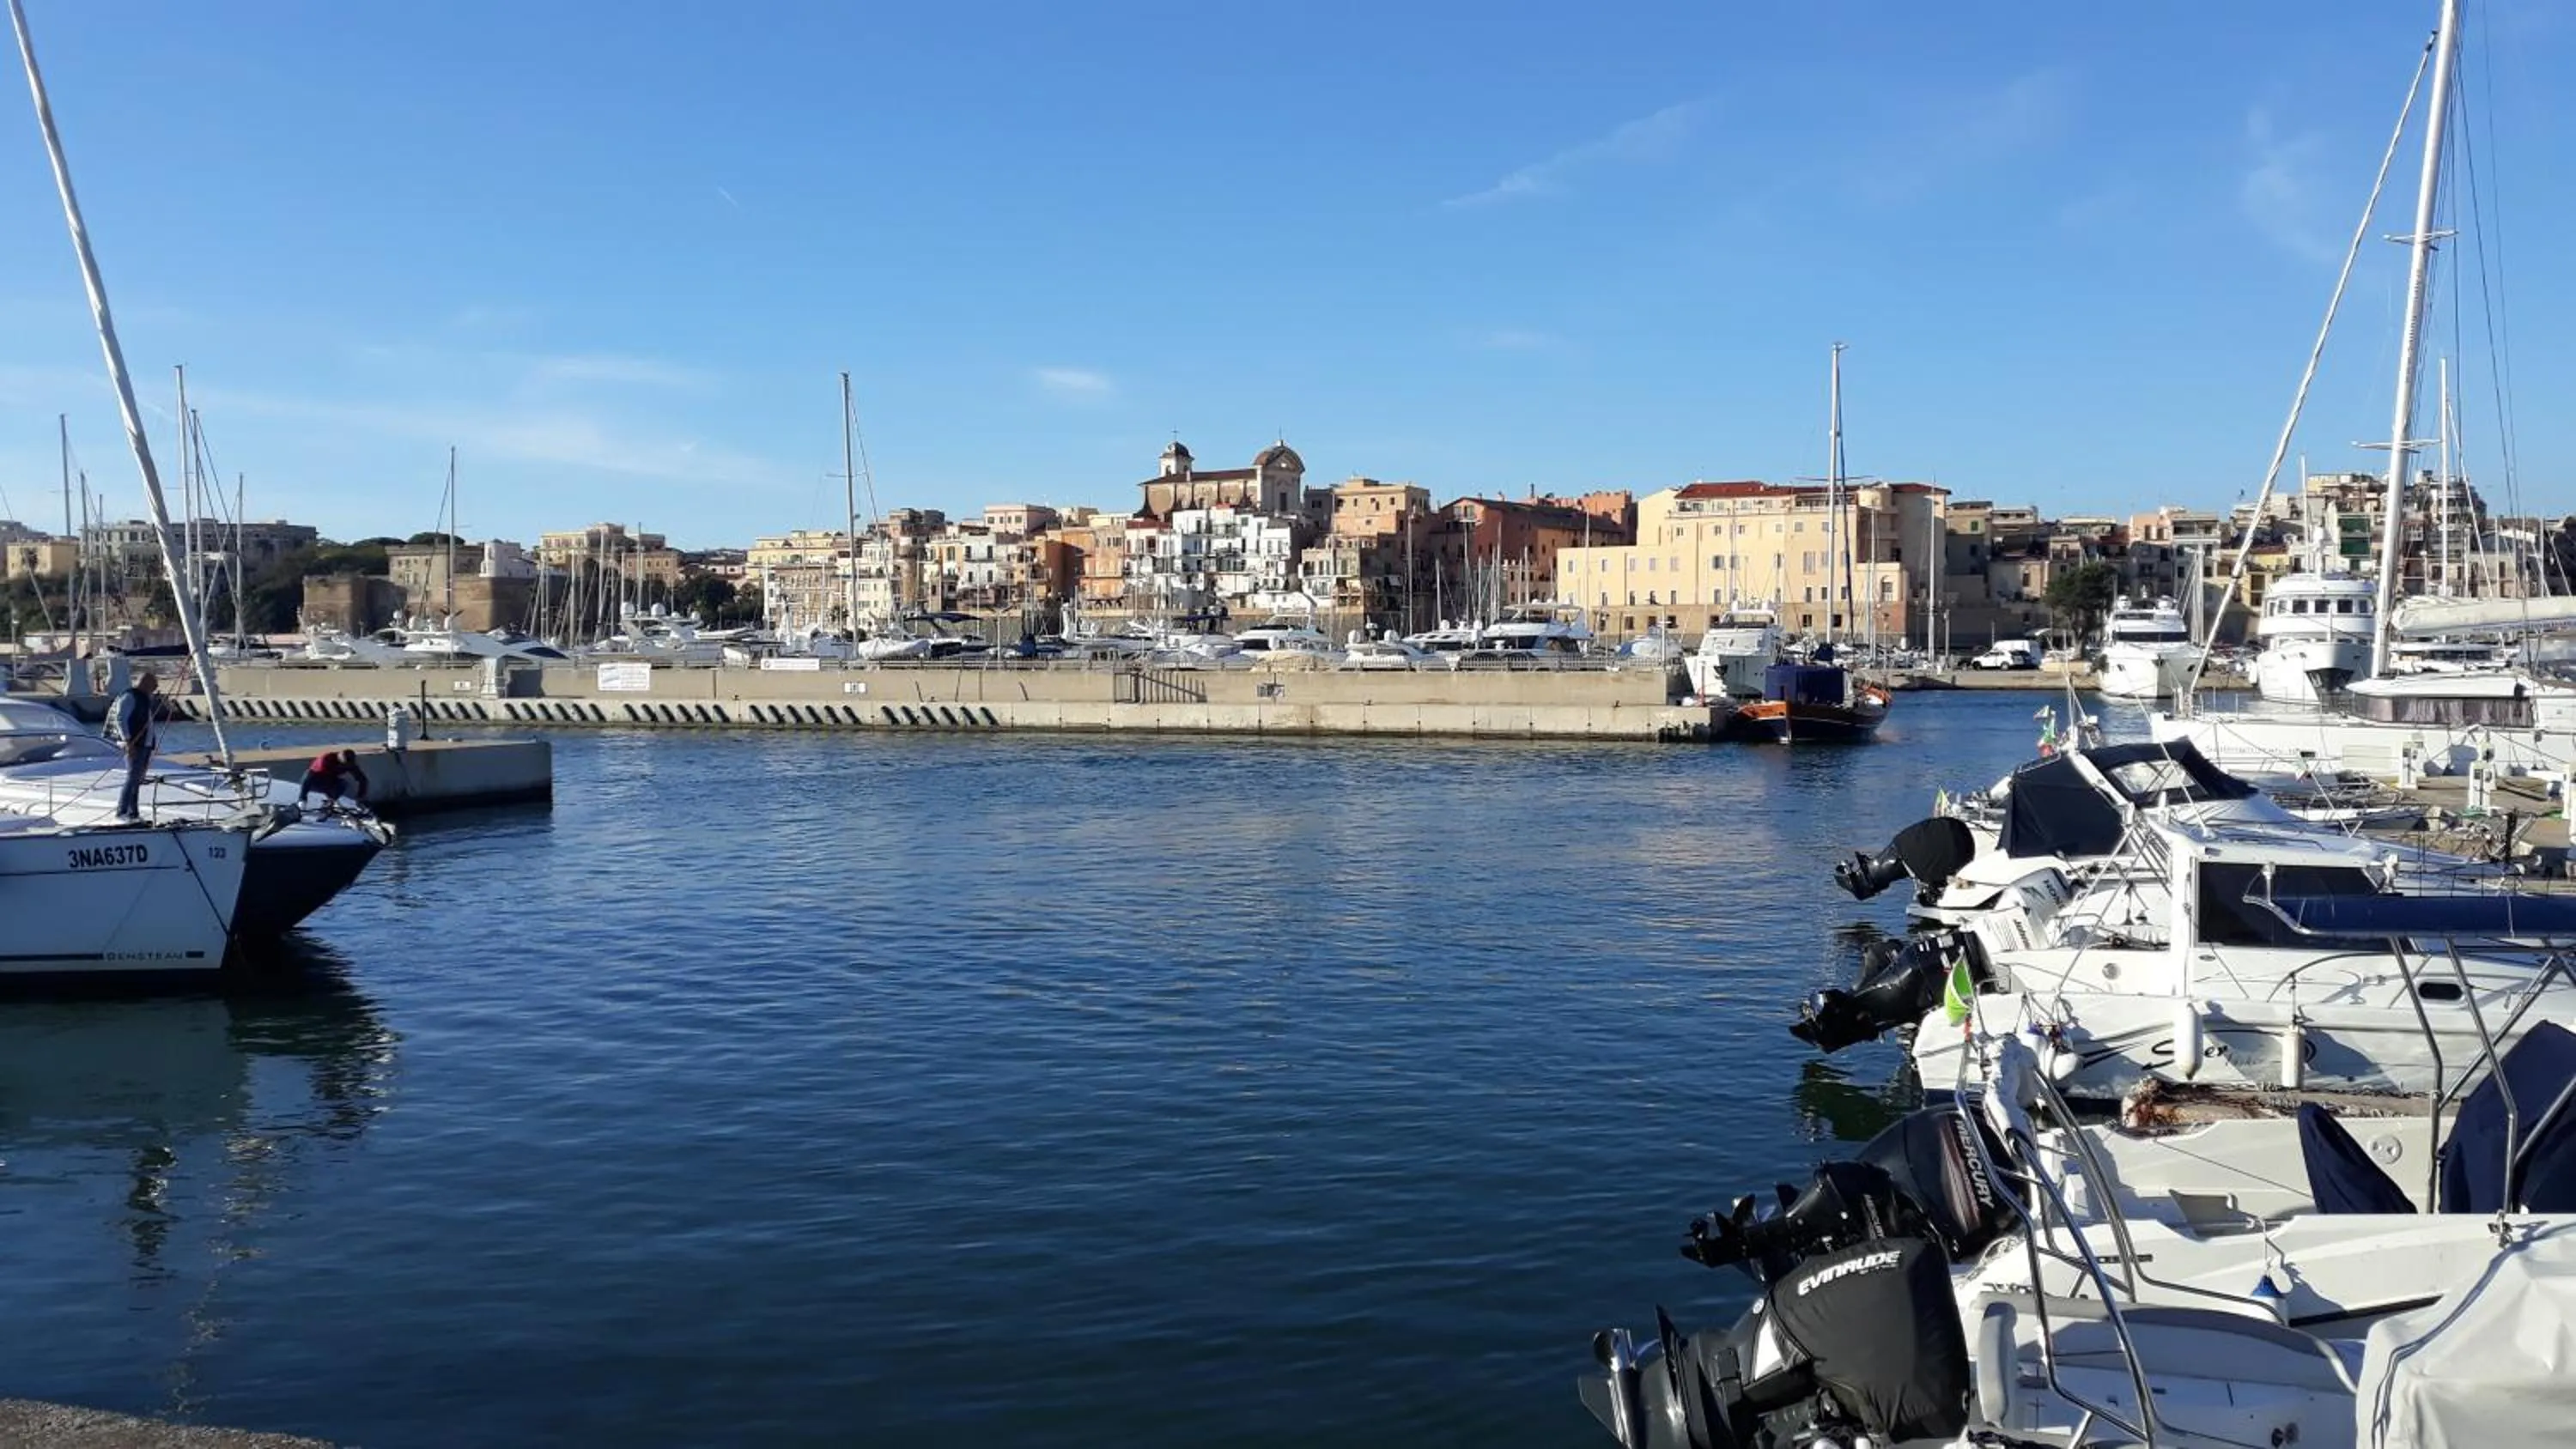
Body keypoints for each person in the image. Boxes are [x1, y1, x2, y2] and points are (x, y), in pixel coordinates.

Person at [108, 670, 159, 822]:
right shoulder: (130, 696)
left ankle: (133, 812)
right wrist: (128, 741)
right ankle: (122, 811)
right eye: (153, 684)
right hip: (135, 743)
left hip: (145, 744)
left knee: (137, 779)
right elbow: (121, 719)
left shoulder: (144, 698)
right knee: (132, 777)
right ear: (145, 683)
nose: (156, 687)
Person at [298, 749, 370, 810]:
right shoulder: (326, 759)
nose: (346, 766)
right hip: (315, 781)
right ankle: (302, 800)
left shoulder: (350, 764)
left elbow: (363, 779)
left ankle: (331, 802)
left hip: (330, 781)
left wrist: (360, 797)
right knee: (308, 774)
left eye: (348, 764)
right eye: (344, 764)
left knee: (343, 783)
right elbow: (313, 775)